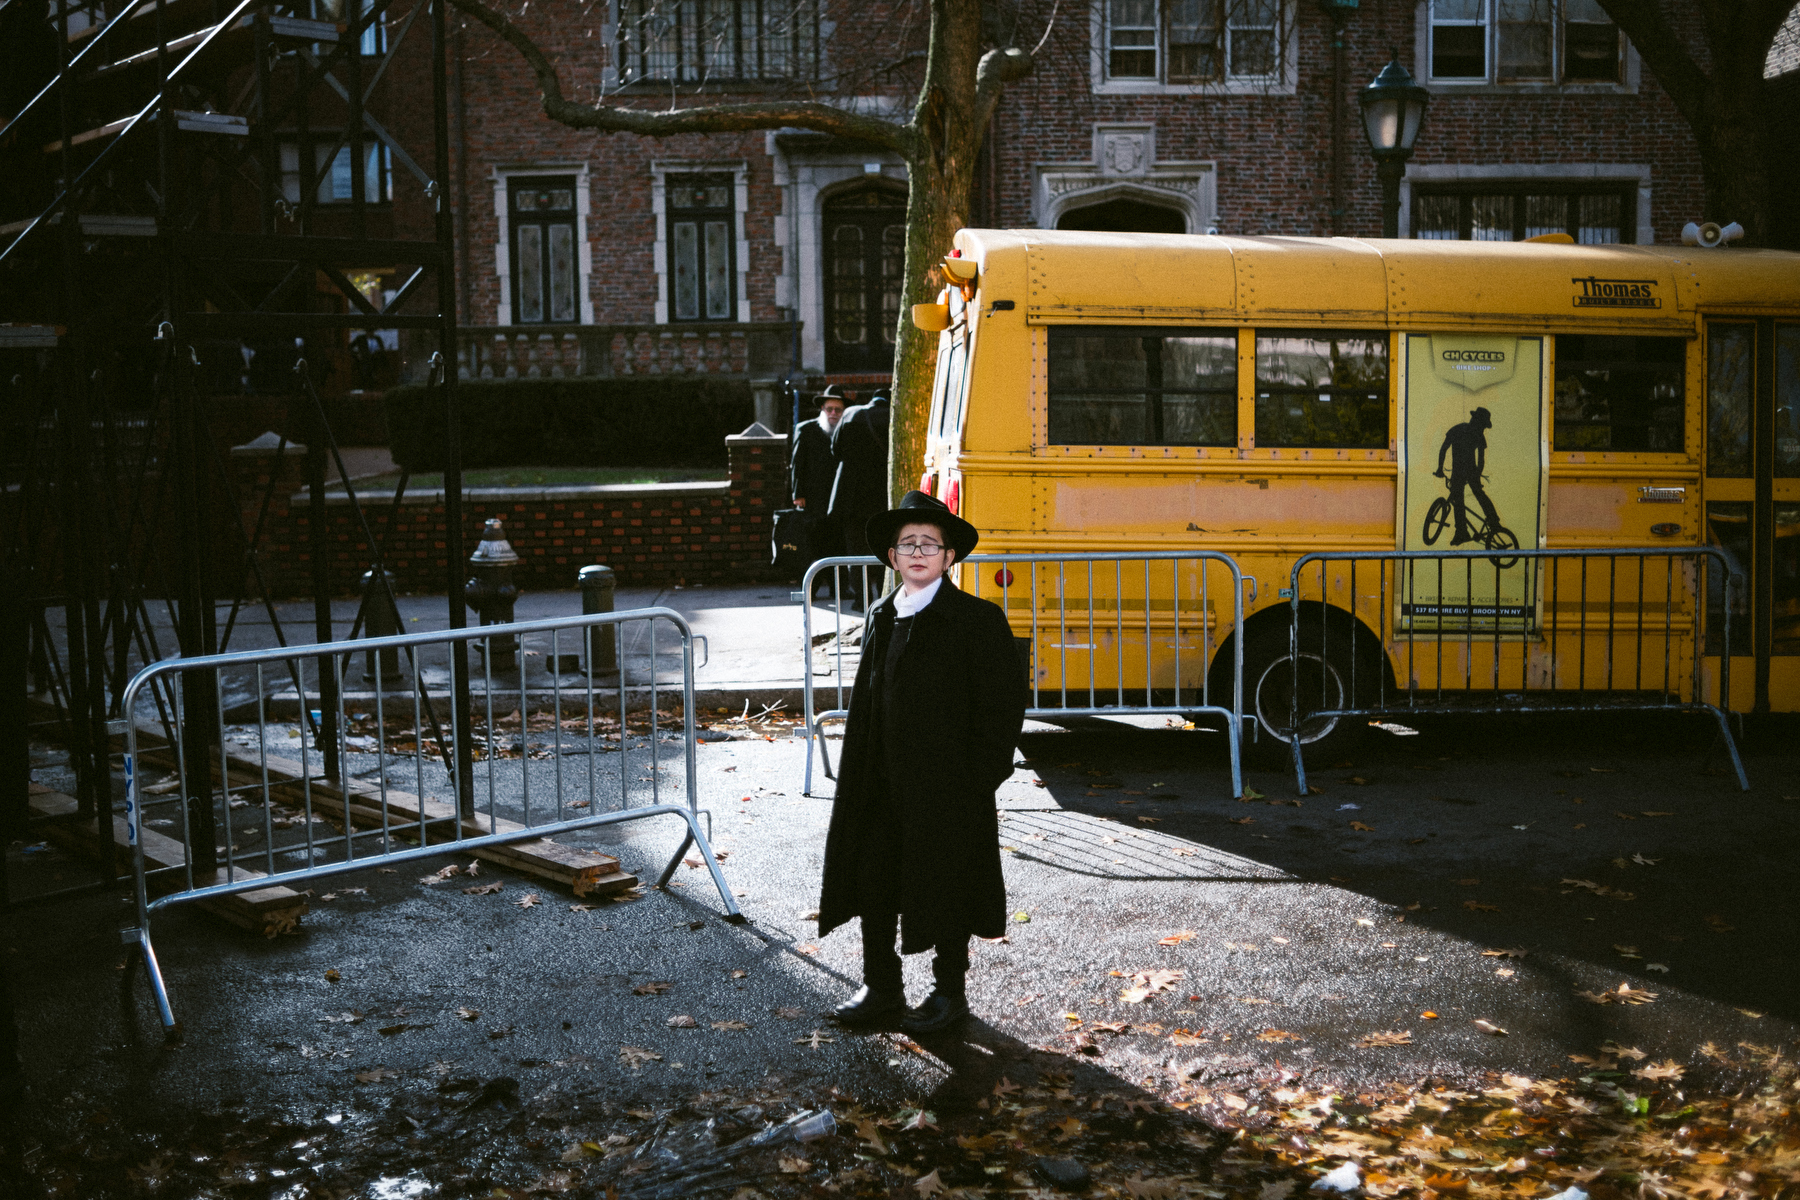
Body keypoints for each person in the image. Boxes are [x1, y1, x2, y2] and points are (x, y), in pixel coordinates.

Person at [817, 491, 1029, 1036]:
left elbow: (1002, 708)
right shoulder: (881, 615)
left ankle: (948, 992)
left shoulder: (976, 619)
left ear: (949, 557)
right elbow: (869, 698)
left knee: (948, 881)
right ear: (892, 557)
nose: (917, 552)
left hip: (947, 785)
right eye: (906, 544)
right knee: (874, 876)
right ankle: (881, 986)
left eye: (929, 544)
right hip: (880, 779)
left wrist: (980, 778)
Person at [826, 390, 890, 606]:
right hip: (881, 496)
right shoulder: (893, 418)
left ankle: (861, 599)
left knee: (855, 550)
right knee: (883, 549)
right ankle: (883, 598)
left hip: (850, 496)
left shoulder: (851, 414)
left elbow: (835, 450)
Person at [789, 388, 847, 582]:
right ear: (822, 409)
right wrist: (798, 493)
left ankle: (837, 586)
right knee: (814, 541)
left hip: (837, 495)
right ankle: (812, 586)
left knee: (837, 542)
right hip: (813, 496)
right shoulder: (806, 430)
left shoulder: (847, 430)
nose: (833, 414)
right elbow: (797, 464)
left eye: (838, 410)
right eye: (829, 409)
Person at [1434, 405, 1501, 546]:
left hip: (1462, 472)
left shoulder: (1459, 430)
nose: (1483, 429)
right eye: (1482, 425)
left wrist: (1440, 468)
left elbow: (1444, 449)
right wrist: (1477, 474)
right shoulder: (1476, 434)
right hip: (1468, 471)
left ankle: (1463, 532)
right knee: (1474, 495)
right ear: (1477, 421)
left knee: (1460, 500)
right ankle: (1491, 522)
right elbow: (1481, 460)